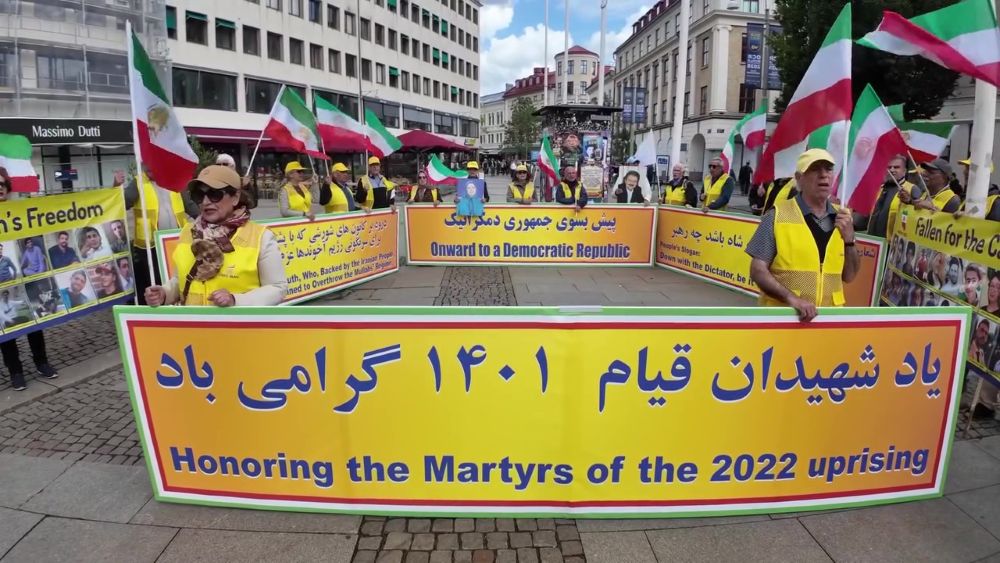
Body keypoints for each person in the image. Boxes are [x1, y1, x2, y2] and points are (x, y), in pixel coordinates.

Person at [145, 165, 286, 307]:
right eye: (199, 195)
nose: (206, 202)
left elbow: (277, 288)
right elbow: (179, 278)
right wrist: (165, 293)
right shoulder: (188, 232)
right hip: (193, 326)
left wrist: (235, 300)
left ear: (235, 198)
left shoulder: (261, 237)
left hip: (238, 327)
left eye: (214, 195)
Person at [746, 149, 860, 322]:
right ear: (799, 178)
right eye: (815, 169)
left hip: (827, 321)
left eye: (828, 169)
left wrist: (850, 241)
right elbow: (757, 270)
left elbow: (849, 276)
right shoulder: (777, 215)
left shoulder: (843, 218)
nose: (823, 175)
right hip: (785, 320)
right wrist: (791, 298)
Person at [122, 169, 197, 305]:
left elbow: (189, 205)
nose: (149, 167)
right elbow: (122, 204)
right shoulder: (138, 182)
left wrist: (205, 218)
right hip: (149, 247)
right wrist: (116, 187)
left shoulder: (175, 181)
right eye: (146, 164)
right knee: (152, 282)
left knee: (174, 278)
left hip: (176, 242)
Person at [865, 155, 923, 238]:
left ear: (904, 171)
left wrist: (910, 201)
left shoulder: (912, 189)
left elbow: (919, 214)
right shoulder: (879, 189)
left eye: (896, 167)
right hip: (874, 243)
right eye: (889, 167)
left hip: (894, 244)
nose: (892, 170)